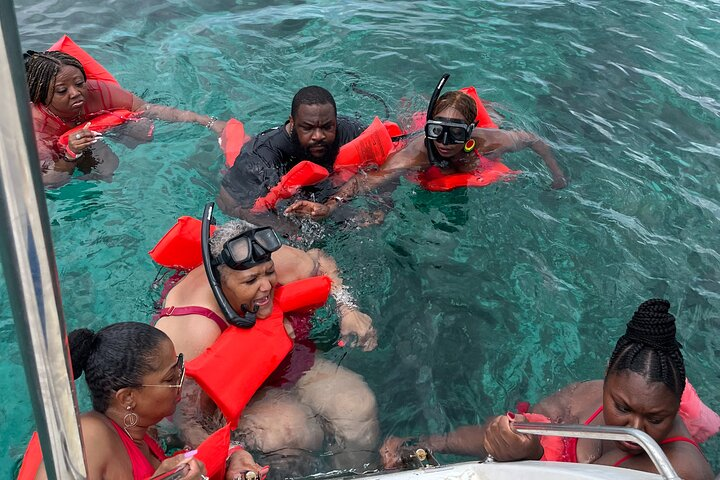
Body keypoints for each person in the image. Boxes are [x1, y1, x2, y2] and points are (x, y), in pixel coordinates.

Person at [380, 299, 716, 480]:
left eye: (656, 418)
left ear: (673, 410)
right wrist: (425, 443)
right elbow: (512, 429)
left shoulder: (681, 470)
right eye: (623, 408)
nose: (636, 430)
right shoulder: (583, 397)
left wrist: (528, 459)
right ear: (606, 378)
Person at [154, 212, 379, 478]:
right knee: (291, 432)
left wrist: (347, 308)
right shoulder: (193, 329)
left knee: (359, 405)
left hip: (283, 364)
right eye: (250, 281)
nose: (265, 287)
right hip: (230, 399)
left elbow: (319, 259)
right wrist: (233, 454)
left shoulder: (263, 260)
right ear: (220, 282)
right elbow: (187, 420)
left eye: (269, 274)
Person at [284, 81, 568, 221]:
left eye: (455, 133)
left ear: (470, 132)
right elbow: (364, 181)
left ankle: (488, 109)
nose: (443, 141)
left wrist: (558, 176)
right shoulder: (416, 153)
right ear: (429, 129)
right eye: (437, 131)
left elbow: (532, 140)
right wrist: (329, 205)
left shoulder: (489, 141)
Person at [30, 322, 211, 479]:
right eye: (171, 378)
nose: (181, 379)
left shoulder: (144, 431)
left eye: (179, 367)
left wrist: (231, 456)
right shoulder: (88, 436)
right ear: (128, 398)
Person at [24, 49, 227, 187]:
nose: (76, 93)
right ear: (40, 94)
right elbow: (49, 181)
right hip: (65, 151)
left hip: (99, 129)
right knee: (105, 169)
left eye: (79, 83)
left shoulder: (98, 92)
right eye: (62, 91)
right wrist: (71, 153)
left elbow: (151, 109)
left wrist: (207, 121)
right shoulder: (35, 124)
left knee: (141, 131)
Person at [216, 85, 365, 229]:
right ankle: (204, 120)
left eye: (327, 127)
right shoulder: (260, 160)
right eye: (307, 128)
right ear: (292, 122)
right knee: (231, 142)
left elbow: (386, 163)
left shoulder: (348, 130)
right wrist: (291, 230)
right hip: (253, 168)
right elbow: (227, 204)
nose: (319, 136)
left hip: (320, 188)